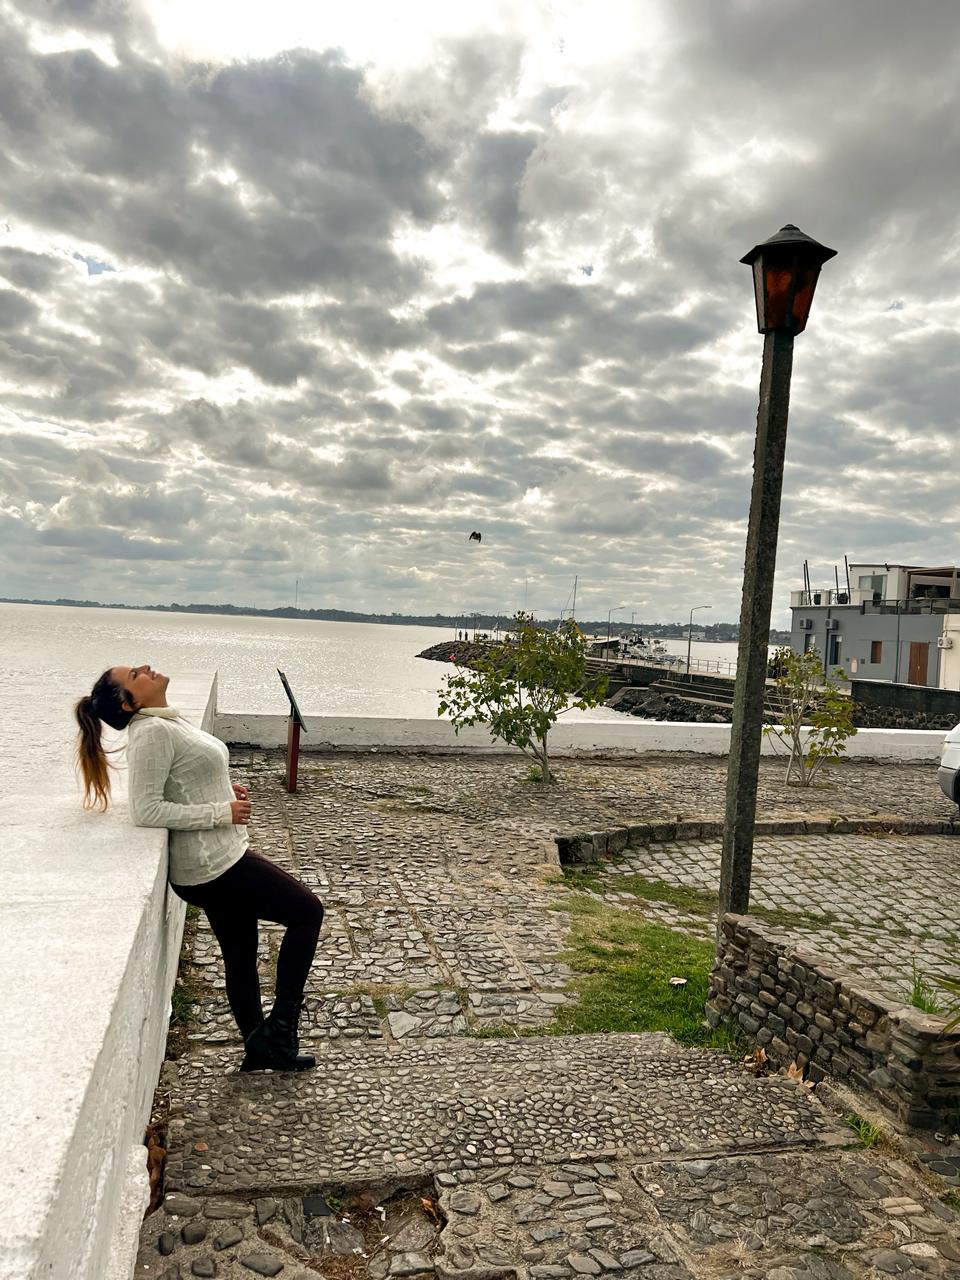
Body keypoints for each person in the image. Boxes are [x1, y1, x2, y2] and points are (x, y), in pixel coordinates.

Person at [74, 663, 324, 1073]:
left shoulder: (164, 723)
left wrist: (224, 789)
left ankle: (259, 1049)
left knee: (241, 956)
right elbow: (147, 809)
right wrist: (220, 811)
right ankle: (280, 1030)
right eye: (134, 674)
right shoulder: (152, 732)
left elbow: (184, 776)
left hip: (215, 860)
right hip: (214, 866)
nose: (145, 668)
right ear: (129, 701)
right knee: (307, 912)